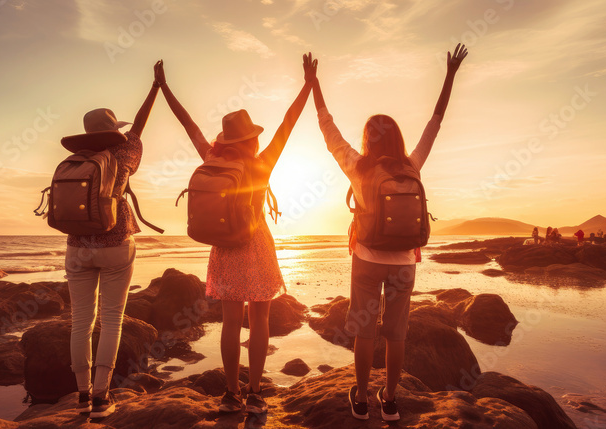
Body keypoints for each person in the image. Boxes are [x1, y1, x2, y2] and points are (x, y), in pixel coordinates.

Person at [311, 44, 468, 422]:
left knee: (365, 332)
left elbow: (326, 125)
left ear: (368, 139)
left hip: (366, 258)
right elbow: (435, 122)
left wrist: (313, 82)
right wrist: (450, 75)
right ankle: (392, 401)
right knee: (396, 333)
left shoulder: (358, 166)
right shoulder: (412, 165)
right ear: (397, 139)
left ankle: (362, 399)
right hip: (405, 262)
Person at [155, 55, 315, 415]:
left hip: (225, 248)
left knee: (230, 323)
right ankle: (255, 393)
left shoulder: (212, 157)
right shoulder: (260, 164)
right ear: (252, 138)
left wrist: (164, 87)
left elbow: (189, 125)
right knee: (259, 321)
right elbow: (288, 124)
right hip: (256, 244)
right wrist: (307, 84)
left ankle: (230, 394)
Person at [62, 63, 160, 419]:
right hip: (117, 243)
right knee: (112, 319)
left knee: (80, 321)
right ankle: (103, 398)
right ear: (114, 130)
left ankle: (82, 395)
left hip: (77, 247)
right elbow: (140, 123)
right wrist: (155, 88)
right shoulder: (124, 154)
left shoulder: (74, 159)